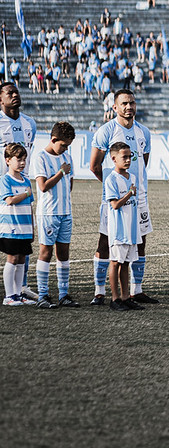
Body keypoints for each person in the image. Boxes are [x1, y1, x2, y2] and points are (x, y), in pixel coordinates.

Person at [89, 90, 156, 306]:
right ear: (115, 107)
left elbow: (143, 163)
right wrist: (113, 187)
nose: (129, 107)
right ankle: (100, 292)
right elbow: (94, 165)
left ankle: (136, 291)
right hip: (115, 198)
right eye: (124, 103)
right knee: (106, 240)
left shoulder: (144, 132)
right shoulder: (106, 131)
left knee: (140, 239)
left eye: (132, 103)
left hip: (140, 196)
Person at [33, 122, 78, 309]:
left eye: (68, 145)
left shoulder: (67, 157)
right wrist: (60, 172)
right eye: (63, 145)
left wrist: (65, 174)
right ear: (53, 139)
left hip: (65, 212)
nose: (66, 148)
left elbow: (70, 183)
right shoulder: (40, 158)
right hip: (49, 213)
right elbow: (43, 186)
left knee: (64, 253)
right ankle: (42, 295)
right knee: (46, 252)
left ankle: (63, 294)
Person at [0, 82, 37, 301]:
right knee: (9, 242)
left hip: (21, 186)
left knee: (23, 238)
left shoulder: (29, 123)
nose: (14, 95)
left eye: (16, 92)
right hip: (4, 189)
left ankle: (20, 287)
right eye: (9, 93)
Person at [104, 142, 143, 312]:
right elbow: (114, 205)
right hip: (119, 230)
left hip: (131, 230)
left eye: (130, 157)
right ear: (114, 159)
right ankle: (114, 298)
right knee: (115, 263)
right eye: (124, 157)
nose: (128, 160)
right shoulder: (111, 179)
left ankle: (126, 297)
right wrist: (129, 193)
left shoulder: (132, 177)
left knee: (126, 263)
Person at [1, 143, 35, 306]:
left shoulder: (26, 181)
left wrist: (33, 229)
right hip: (11, 228)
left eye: (24, 160)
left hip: (25, 228)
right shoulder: (5, 180)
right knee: (12, 258)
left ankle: (18, 293)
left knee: (22, 259)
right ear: (8, 160)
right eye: (18, 159)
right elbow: (9, 200)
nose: (22, 163)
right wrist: (26, 193)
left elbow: (30, 206)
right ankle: (9, 296)